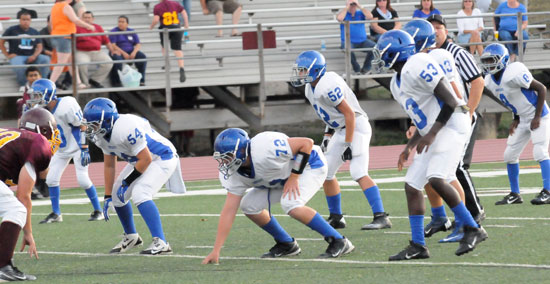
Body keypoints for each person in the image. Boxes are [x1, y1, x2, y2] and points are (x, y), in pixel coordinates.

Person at [372, 30, 487, 260]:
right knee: (412, 185)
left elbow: (451, 101)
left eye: (384, 53)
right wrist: (410, 145)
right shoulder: (397, 81)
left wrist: (432, 134)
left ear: (397, 52)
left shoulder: (417, 64)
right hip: (436, 129)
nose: (380, 58)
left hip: (453, 125)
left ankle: (473, 228)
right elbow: (421, 116)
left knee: (436, 177)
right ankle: (418, 246)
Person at [202, 129, 354, 264]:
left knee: (291, 204)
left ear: (242, 151)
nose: (225, 162)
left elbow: (306, 144)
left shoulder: (265, 148)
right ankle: (287, 244)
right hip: (280, 177)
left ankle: (339, 240)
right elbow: (229, 211)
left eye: (228, 156)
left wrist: (294, 177)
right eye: (222, 158)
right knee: (249, 206)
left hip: (309, 165)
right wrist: (216, 250)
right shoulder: (233, 175)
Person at [291, 50, 391, 230]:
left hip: (356, 127)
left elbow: (349, 114)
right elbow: (330, 115)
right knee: (326, 172)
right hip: (341, 128)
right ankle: (336, 217)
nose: (300, 74)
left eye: (303, 70)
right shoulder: (310, 88)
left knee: (358, 172)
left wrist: (348, 143)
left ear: (315, 70)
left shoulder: (326, 86)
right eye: (299, 70)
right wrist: (328, 135)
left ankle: (381, 216)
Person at [82, 97, 186, 255]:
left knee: (141, 192)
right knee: (118, 196)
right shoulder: (102, 136)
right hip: (140, 159)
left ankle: (161, 242)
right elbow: (110, 164)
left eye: (94, 124)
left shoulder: (125, 127)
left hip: (161, 156)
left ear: (107, 120)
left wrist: (127, 182)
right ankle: (132, 237)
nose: (91, 128)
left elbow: (146, 159)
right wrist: (108, 195)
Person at [403, 19, 472, 243]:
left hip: (452, 119)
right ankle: (443, 220)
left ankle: (467, 224)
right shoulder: (411, 65)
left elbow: (452, 93)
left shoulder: (435, 57)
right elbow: (422, 105)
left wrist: (464, 111)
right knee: (428, 178)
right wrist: (416, 134)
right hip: (437, 122)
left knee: (446, 175)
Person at [427, 13, 486, 232]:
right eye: (430, 27)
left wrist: (469, 112)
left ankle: (474, 212)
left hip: (460, 116)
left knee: (457, 166)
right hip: (444, 118)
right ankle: (446, 216)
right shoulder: (428, 55)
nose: (434, 31)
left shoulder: (456, 53)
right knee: (444, 168)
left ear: (446, 30)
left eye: (438, 27)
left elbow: (478, 82)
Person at [22, 79, 103, 224]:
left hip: (77, 146)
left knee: (83, 180)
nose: (35, 99)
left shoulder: (66, 105)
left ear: (48, 94)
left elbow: (82, 125)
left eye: (38, 95)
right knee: (52, 179)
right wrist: (27, 117)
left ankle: (98, 210)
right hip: (61, 149)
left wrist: (84, 148)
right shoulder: (40, 111)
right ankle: (56, 213)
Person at [480, 43, 550, 205]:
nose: (489, 63)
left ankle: (548, 191)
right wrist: (516, 118)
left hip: (539, 115)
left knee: (540, 151)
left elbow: (541, 89)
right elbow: (514, 100)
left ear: (503, 60)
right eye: (486, 60)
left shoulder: (514, 72)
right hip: (523, 118)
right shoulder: (490, 80)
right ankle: (515, 194)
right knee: (509, 155)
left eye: (492, 59)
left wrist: (537, 116)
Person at [0, 108, 62, 282]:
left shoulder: (14, 136)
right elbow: (23, 196)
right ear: (43, 130)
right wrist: (28, 232)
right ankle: (3, 267)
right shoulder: (38, 142)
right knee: (17, 210)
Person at [50, 0, 95, 89]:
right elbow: (75, 20)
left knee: (71, 62)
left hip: (58, 36)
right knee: (61, 64)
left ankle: (78, 83)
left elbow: (51, 23)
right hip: (65, 37)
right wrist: (88, 26)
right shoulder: (66, 7)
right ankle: (49, 85)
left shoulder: (55, 6)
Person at [0, 10, 50, 87]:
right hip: (18, 56)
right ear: (20, 20)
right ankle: (24, 85)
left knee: (46, 59)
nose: (25, 21)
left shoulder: (34, 31)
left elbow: (40, 46)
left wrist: (34, 55)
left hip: (32, 55)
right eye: (23, 19)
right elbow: (1, 42)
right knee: (19, 66)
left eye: (27, 20)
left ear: (30, 21)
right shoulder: (12, 30)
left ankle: (42, 83)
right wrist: (7, 55)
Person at [151, 0, 189, 83]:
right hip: (176, 27)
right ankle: (181, 67)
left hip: (165, 29)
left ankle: (167, 63)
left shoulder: (157, 6)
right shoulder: (175, 3)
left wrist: (151, 27)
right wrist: (186, 26)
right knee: (177, 49)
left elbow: (156, 20)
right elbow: (184, 14)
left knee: (164, 46)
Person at [75, 11, 115, 88]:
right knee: (82, 63)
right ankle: (85, 84)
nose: (87, 19)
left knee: (109, 62)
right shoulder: (77, 28)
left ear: (93, 19)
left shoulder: (98, 27)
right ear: (81, 19)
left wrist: (112, 50)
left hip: (97, 52)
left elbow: (106, 41)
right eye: (85, 17)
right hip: (82, 52)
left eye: (89, 18)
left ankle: (95, 80)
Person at [337, 0, 376, 74]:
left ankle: (366, 69)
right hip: (348, 41)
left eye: (353, 5)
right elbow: (339, 18)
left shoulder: (360, 13)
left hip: (362, 41)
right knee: (345, 47)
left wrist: (359, 6)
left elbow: (370, 16)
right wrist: (346, 7)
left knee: (375, 48)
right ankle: (357, 69)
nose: (352, 6)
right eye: (351, 5)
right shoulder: (344, 13)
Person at [109, 15, 147, 87]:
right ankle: (116, 82)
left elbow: (138, 44)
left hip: (130, 51)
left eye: (123, 22)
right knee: (117, 60)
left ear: (127, 24)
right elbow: (113, 45)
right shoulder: (114, 31)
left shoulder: (131, 31)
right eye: (119, 21)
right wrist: (124, 53)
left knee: (142, 57)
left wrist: (134, 52)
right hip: (118, 51)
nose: (120, 23)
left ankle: (141, 80)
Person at [41, 15, 72, 90]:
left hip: (60, 53)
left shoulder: (62, 31)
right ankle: (53, 83)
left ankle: (66, 83)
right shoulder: (42, 32)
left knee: (71, 61)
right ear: (48, 22)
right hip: (49, 54)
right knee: (49, 61)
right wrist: (50, 53)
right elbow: (41, 47)